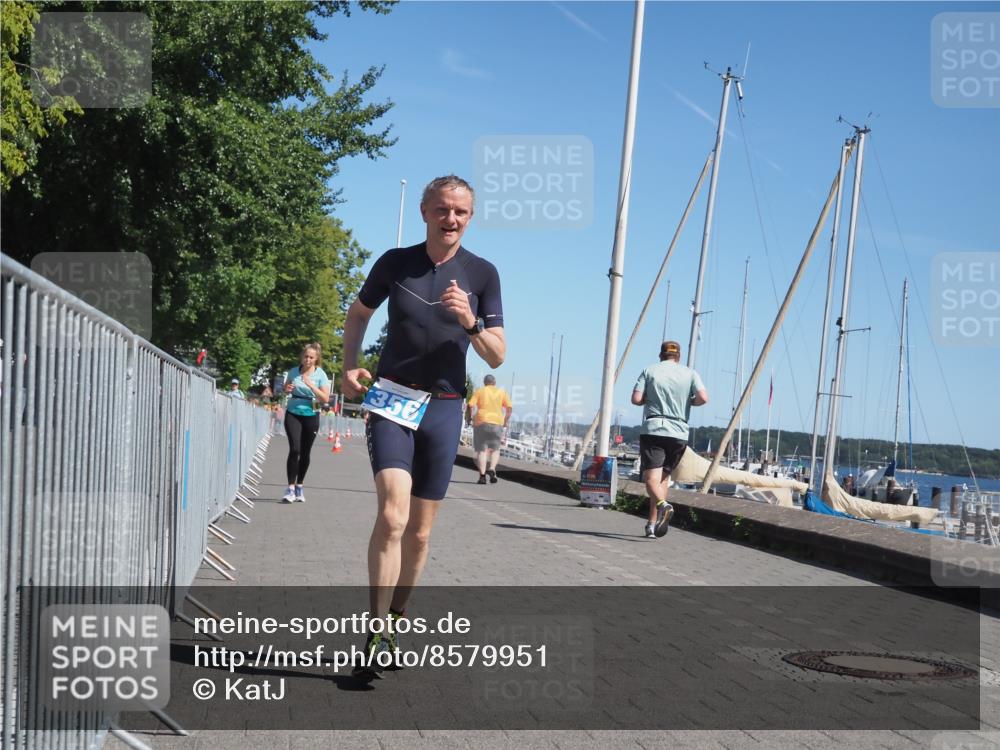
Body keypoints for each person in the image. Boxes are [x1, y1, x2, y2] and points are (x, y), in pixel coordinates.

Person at [341, 175, 505, 677]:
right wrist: (349, 366)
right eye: (442, 209)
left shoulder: (482, 273)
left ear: (470, 217)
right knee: (393, 517)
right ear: (425, 212)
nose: (450, 219)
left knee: (419, 533)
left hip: (445, 406)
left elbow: (497, 354)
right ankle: (375, 631)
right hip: (392, 398)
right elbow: (358, 314)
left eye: (460, 212)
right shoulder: (395, 263)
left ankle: (395, 618)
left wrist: (470, 321)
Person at [631, 340, 708, 539]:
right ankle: (652, 525)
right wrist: (689, 402)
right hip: (679, 433)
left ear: (661, 355)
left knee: (650, 480)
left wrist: (649, 398)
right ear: (678, 356)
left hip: (655, 429)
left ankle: (663, 505)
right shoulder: (690, 373)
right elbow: (703, 398)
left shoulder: (649, 371)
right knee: (662, 480)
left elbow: (636, 399)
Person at [281, 343, 331, 503]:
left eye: (311, 357)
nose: (307, 359)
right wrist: (287, 388)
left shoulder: (321, 374)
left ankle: (299, 486)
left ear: (316, 359)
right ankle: (290, 488)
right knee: (295, 449)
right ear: (302, 356)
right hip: (293, 412)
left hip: (311, 413)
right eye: (305, 356)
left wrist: (311, 385)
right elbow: (285, 388)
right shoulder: (293, 371)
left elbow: (325, 398)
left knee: (305, 452)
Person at [466, 374, 512, 484]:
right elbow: (509, 408)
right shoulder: (502, 392)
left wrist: (468, 418)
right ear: (494, 383)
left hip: (481, 422)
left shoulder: (480, 391)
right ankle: (492, 468)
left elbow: (470, 405)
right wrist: (505, 420)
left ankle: (482, 477)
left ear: (484, 383)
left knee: (482, 451)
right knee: (495, 449)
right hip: (497, 423)